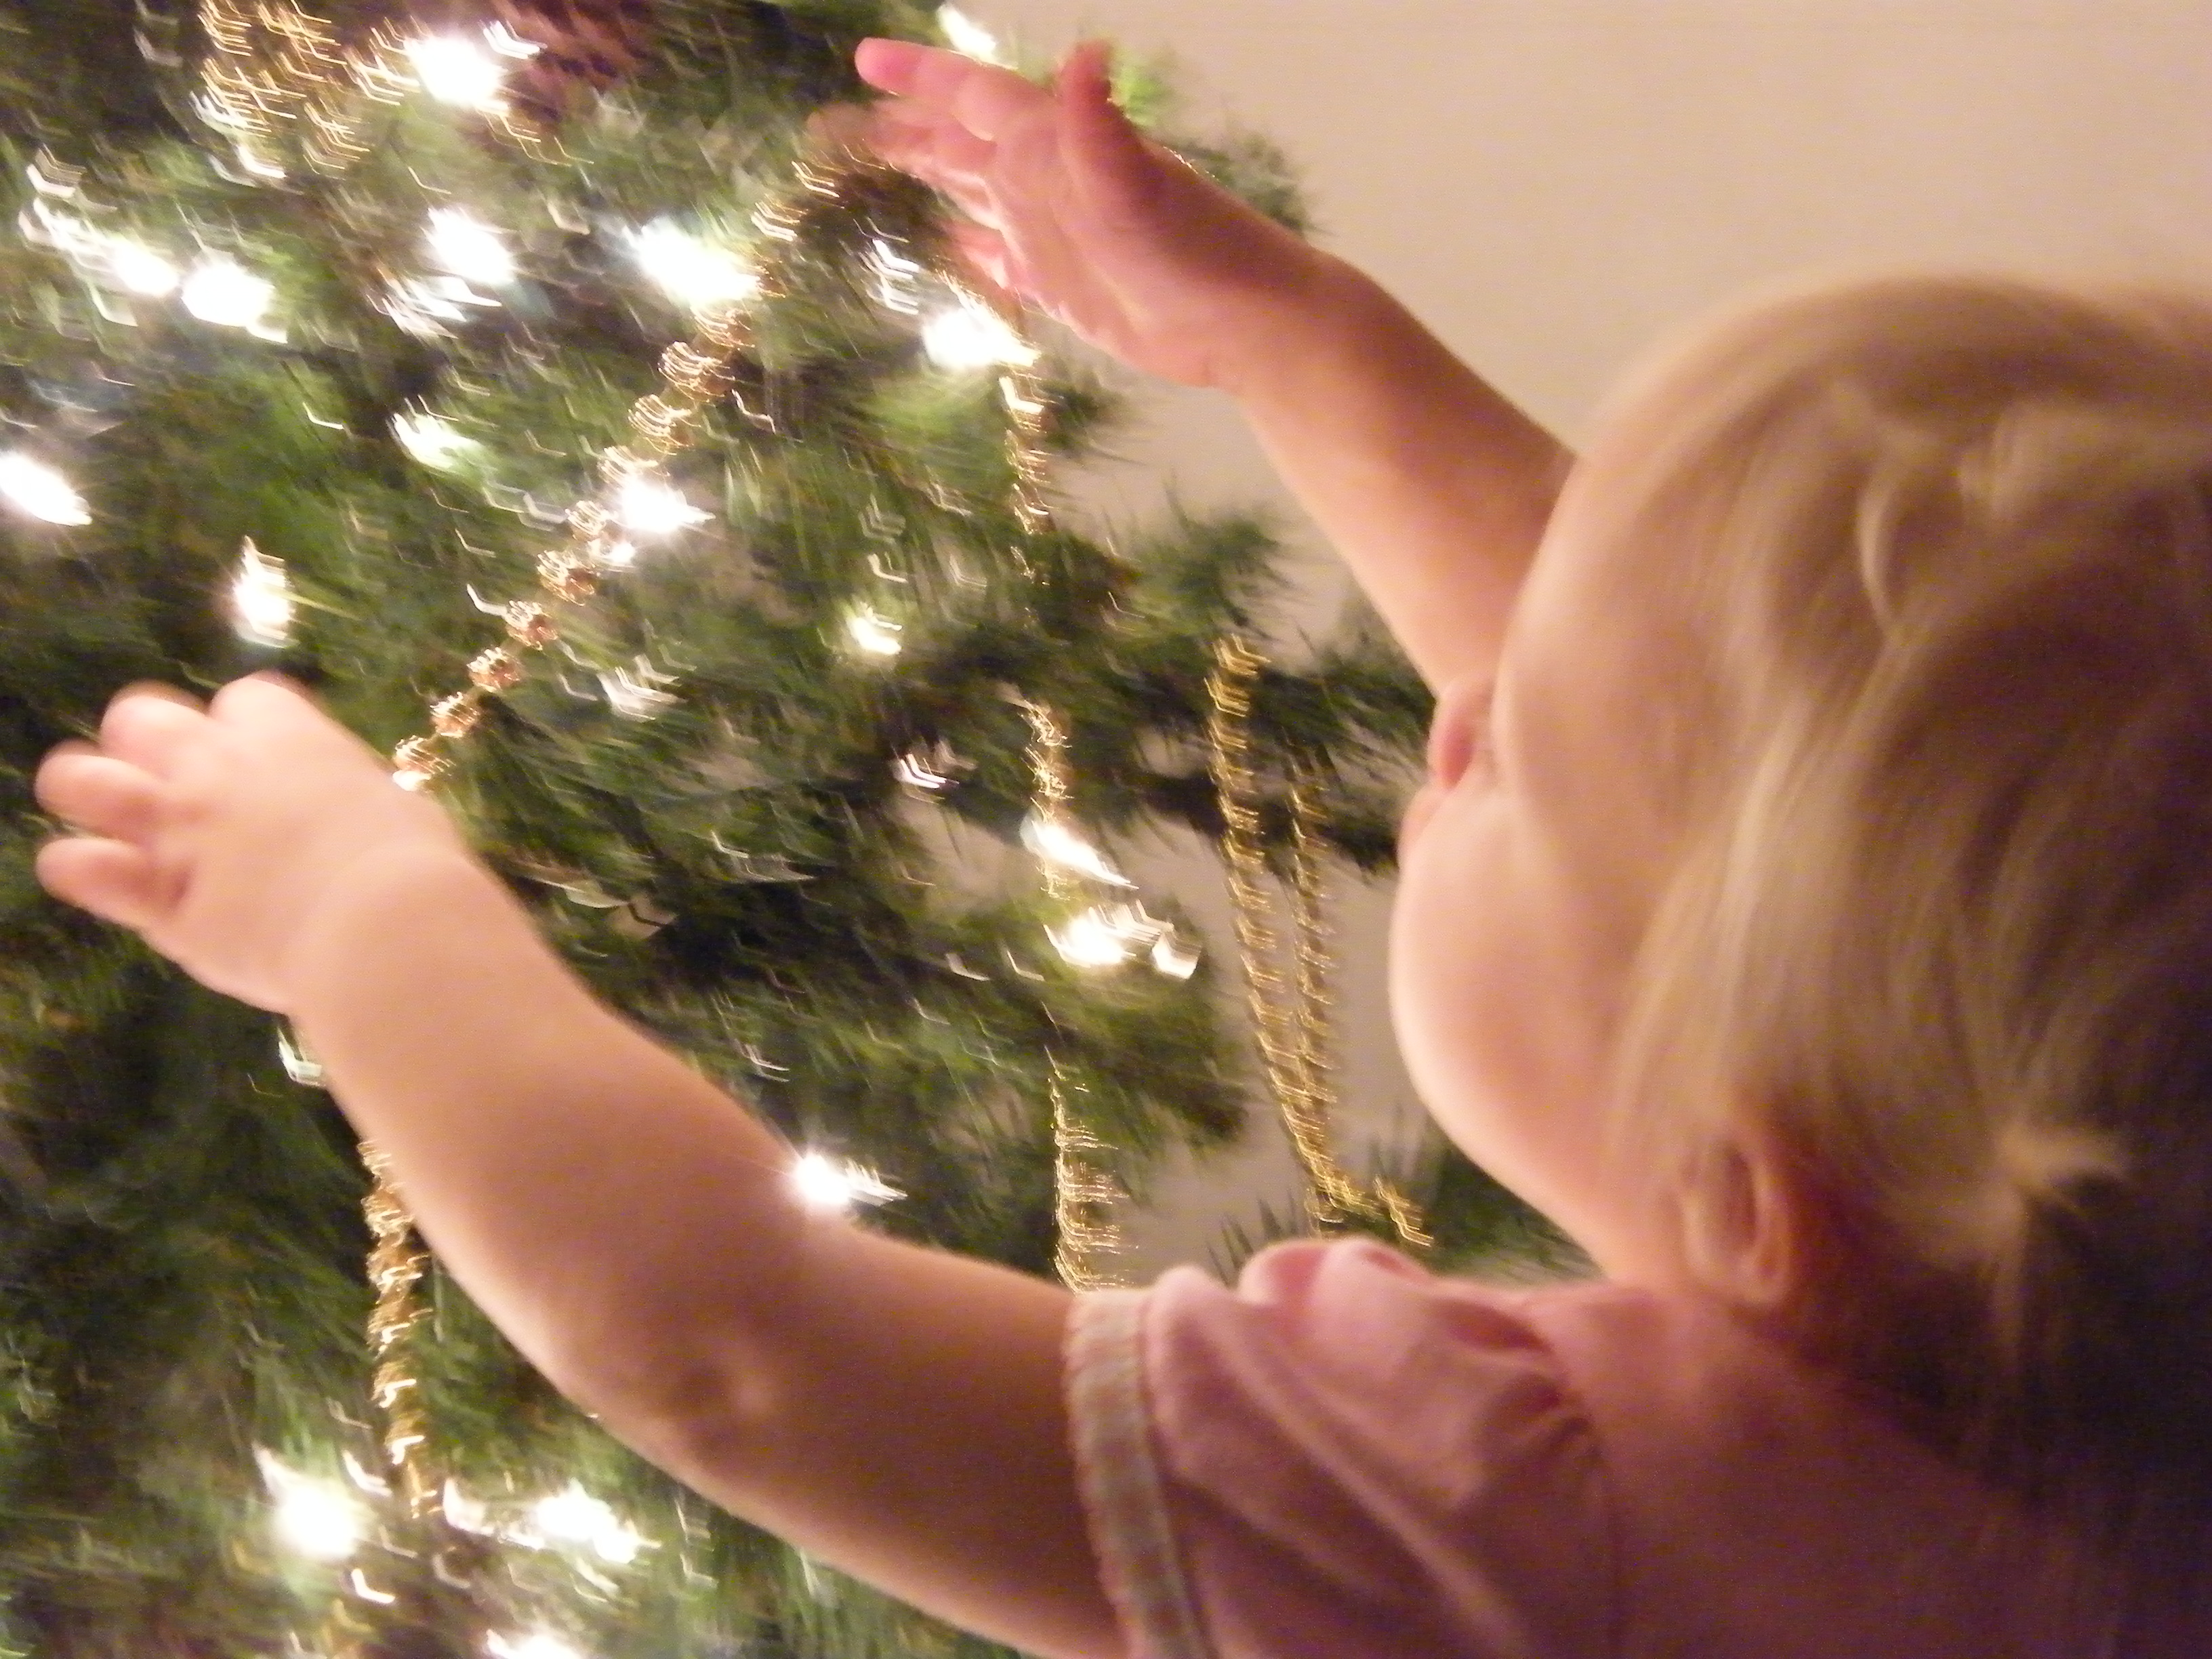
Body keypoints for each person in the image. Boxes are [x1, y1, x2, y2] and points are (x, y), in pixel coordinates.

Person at [32, 33, 2212, 1659]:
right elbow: (1687, 743)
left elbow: (729, 1337)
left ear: (1756, 1190)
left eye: (1516, 756)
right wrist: (1295, 338)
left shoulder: (1545, 1513)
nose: (1456, 709)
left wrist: (353, 905)